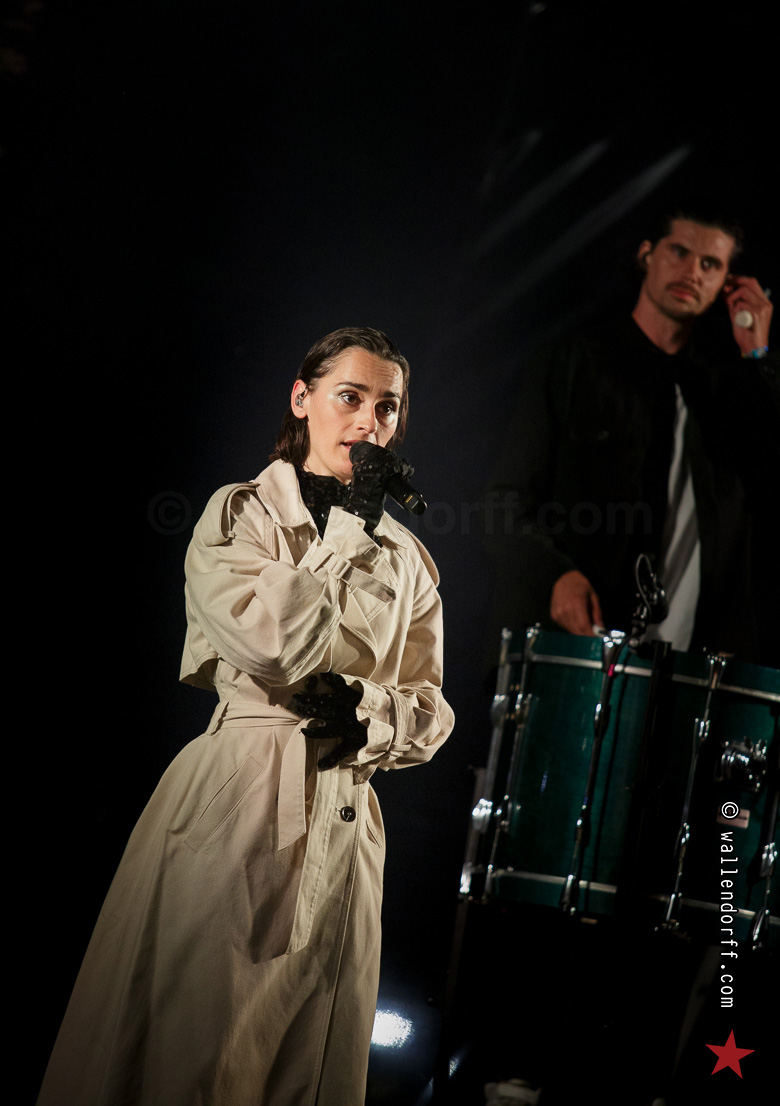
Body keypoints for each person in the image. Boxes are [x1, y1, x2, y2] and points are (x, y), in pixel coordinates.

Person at [37, 327, 454, 1106]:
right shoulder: (241, 514)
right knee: (200, 1053)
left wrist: (367, 712)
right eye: (350, 396)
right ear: (302, 399)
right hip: (241, 799)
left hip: (345, 827)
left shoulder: (407, 560)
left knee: (308, 1067)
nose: (368, 422)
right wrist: (348, 529)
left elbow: (432, 709)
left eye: (387, 407)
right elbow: (275, 645)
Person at [486, 209, 778, 660]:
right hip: (570, 654)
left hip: (687, 668)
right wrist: (555, 576)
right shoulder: (573, 362)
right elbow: (503, 504)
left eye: (710, 264)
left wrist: (757, 354)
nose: (692, 273)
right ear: (647, 254)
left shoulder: (724, 397)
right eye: (680, 252)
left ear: (727, 283)